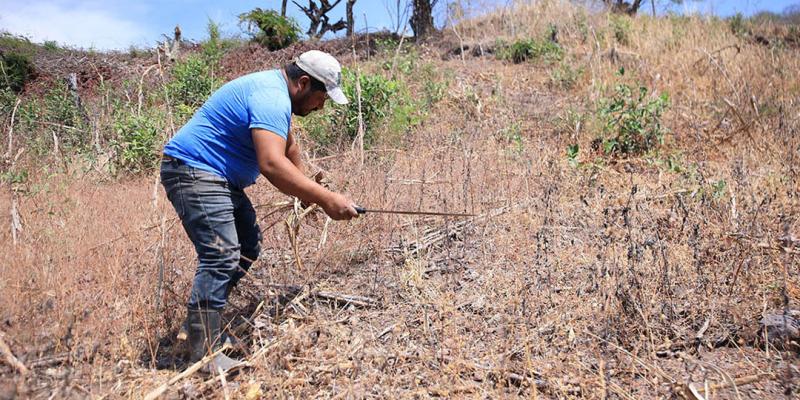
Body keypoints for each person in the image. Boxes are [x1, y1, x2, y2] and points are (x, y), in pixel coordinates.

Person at [160, 50, 359, 372]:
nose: (321, 107)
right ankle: (203, 355)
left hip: (218, 177)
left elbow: (288, 147)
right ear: (303, 83)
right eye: (321, 98)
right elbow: (271, 163)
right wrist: (325, 198)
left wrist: (306, 189)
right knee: (221, 255)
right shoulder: (271, 97)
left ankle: (197, 328)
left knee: (247, 246)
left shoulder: (276, 93)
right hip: (195, 172)